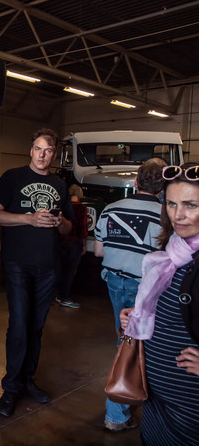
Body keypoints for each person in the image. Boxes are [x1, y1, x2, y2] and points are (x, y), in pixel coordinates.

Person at [0, 127, 73, 417]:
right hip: (18, 264)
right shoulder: (13, 177)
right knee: (20, 325)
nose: (42, 155)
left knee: (36, 327)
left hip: (49, 266)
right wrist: (30, 219)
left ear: (54, 154)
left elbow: (69, 227)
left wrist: (59, 223)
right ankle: (10, 390)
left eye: (48, 150)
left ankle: (27, 382)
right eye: (38, 148)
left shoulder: (60, 185)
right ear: (31, 150)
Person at [120, 163, 199, 445]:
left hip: (190, 410)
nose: (178, 215)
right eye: (171, 204)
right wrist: (135, 316)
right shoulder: (171, 253)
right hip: (155, 401)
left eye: (191, 205)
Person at [94, 158, 165, 432]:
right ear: (162, 187)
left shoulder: (110, 209)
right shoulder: (165, 215)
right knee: (145, 344)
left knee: (124, 340)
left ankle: (121, 403)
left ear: (136, 181)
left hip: (114, 282)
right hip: (145, 287)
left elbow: (99, 251)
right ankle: (119, 412)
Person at [55, 184, 88, 309]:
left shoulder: (63, 207)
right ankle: (64, 296)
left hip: (60, 242)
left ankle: (57, 294)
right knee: (69, 272)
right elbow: (83, 229)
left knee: (59, 269)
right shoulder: (82, 208)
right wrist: (84, 246)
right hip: (74, 244)